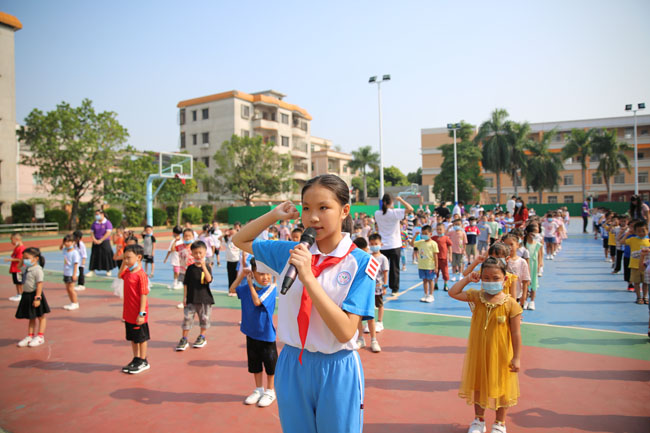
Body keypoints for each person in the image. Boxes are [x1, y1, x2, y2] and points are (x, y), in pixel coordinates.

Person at [233, 174, 375, 433]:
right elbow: (240, 240)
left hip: (336, 366)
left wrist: (309, 278)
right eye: (306, 208)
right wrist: (274, 214)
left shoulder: (361, 262)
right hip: (292, 362)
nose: (313, 217)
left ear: (344, 211)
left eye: (323, 207)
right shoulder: (292, 252)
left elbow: (345, 331)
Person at [449, 257, 522, 433]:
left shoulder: (511, 303)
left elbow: (516, 333)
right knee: (479, 386)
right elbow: (453, 292)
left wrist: (517, 357)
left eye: (495, 278)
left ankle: (499, 423)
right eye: (486, 278)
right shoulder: (477, 297)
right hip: (480, 352)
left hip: (502, 355)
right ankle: (478, 421)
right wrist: (467, 279)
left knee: (503, 387)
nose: (490, 281)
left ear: (504, 279)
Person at [229, 259, 278, 408]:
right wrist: (242, 276)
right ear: (253, 274)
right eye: (261, 274)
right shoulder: (246, 288)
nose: (265, 277)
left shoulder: (271, 288)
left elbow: (257, 302)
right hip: (251, 333)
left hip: (266, 334)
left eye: (268, 274)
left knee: (270, 366)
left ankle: (270, 391)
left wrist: (250, 284)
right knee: (255, 364)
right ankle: (258, 389)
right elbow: (232, 289)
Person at [175, 240, 214, 351]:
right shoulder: (190, 268)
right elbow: (186, 284)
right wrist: (185, 297)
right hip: (191, 298)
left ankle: (202, 336)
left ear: (205, 253)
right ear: (191, 253)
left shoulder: (207, 267)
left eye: (200, 253)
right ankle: (184, 338)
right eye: (195, 253)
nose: (198, 255)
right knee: (187, 318)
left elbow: (209, 279)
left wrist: (204, 266)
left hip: (204, 299)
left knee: (204, 319)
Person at [119, 244, 151, 374]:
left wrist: (142, 314)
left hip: (139, 313)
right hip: (129, 312)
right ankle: (136, 358)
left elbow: (144, 295)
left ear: (138, 257)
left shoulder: (141, 275)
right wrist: (124, 262)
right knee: (133, 338)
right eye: (124, 258)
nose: (126, 261)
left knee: (141, 338)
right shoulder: (127, 272)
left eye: (128, 258)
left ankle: (143, 360)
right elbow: (119, 274)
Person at [375, 193, 414, 295]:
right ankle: (394, 289)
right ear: (391, 202)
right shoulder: (395, 213)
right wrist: (400, 200)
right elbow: (410, 209)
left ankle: (379, 286)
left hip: (382, 245)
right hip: (394, 244)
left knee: (380, 268)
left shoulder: (377, 214)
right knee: (394, 268)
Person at [358, 233, 389, 353]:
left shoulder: (381, 258)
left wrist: (384, 286)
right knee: (359, 316)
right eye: (371, 244)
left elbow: (385, 272)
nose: (373, 246)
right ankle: (360, 339)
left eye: (376, 244)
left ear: (381, 244)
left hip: (376, 288)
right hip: (363, 290)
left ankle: (374, 338)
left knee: (373, 312)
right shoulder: (366, 257)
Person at [15, 247, 50, 347]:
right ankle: (30, 336)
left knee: (41, 316)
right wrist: (23, 258)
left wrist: (38, 298)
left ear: (36, 258)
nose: (25, 260)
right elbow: (18, 266)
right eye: (24, 257)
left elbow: (39, 284)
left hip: (35, 294)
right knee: (31, 317)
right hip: (27, 295)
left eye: (27, 258)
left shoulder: (37, 270)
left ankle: (40, 336)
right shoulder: (26, 268)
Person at [502, 234, 531, 309]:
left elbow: (525, 281)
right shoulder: (501, 260)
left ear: (517, 245)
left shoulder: (522, 262)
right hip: (502, 294)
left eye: (511, 244)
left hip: (517, 294)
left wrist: (524, 295)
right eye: (506, 245)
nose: (509, 247)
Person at [626, 220, 650, 304]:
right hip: (635, 265)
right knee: (636, 282)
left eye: (643, 231)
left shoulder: (648, 241)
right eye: (639, 231)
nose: (641, 233)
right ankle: (638, 297)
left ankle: (645, 297)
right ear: (635, 232)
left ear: (647, 230)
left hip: (646, 267)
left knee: (646, 282)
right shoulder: (632, 239)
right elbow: (622, 242)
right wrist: (627, 233)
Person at [414, 225, 439, 303]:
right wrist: (415, 235)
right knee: (424, 280)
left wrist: (436, 266)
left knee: (430, 280)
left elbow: (435, 255)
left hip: (430, 266)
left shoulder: (433, 243)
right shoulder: (420, 242)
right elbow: (412, 244)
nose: (424, 235)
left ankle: (431, 295)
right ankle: (425, 294)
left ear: (430, 234)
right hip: (421, 266)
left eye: (426, 233)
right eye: (422, 233)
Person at [87, 209, 115, 277]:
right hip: (95, 242)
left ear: (102, 214)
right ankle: (92, 270)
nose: (96, 216)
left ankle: (108, 270)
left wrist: (101, 240)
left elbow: (108, 232)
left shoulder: (107, 223)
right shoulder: (94, 223)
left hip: (105, 241)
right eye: (96, 215)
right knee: (94, 255)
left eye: (98, 214)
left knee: (106, 255)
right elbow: (92, 232)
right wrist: (94, 239)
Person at [523, 224, 543, 310]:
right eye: (534, 233)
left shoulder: (537, 244)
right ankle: (524, 300)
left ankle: (532, 301)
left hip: (533, 266)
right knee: (525, 283)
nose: (536, 235)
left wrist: (539, 265)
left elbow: (540, 255)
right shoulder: (524, 244)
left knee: (533, 283)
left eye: (537, 233)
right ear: (528, 233)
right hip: (525, 266)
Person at [61, 234, 81, 311]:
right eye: (65, 242)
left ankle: (75, 303)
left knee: (71, 289)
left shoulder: (75, 253)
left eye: (69, 242)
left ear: (73, 242)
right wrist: (63, 244)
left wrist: (74, 274)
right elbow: (60, 248)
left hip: (71, 273)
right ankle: (72, 302)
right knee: (67, 289)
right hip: (66, 272)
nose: (67, 243)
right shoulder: (65, 250)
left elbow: (76, 264)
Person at [5, 233, 25, 301]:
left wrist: (9, 260)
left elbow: (20, 259)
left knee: (19, 283)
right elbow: (13, 255)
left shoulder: (22, 248)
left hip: (18, 269)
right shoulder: (17, 248)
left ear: (17, 239)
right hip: (14, 268)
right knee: (16, 282)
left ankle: (21, 294)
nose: (11, 242)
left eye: (12, 240)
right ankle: (18, 294)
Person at [432, 223, 452, 291]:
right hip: (435, 259)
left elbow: (449, 246)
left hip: (443, 258)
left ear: (444, 230)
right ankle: (436, 284)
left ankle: (445, 285)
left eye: (440, 229)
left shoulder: (446, 238)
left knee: (445, 272)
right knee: (435, 272)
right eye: (437, 229)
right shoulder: (434, 238)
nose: (439, 231)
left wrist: (450, 256)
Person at [163, 225, 184, 289]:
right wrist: (166, 258)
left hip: (178, 259)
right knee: (177, 271)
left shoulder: (176, 241)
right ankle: (176, 282)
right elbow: (170, 250)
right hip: (178, 259)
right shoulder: (180, 240)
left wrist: (166, 258)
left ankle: (178, 282)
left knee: (177, 272)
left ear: (174, 233)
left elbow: (171, 250)